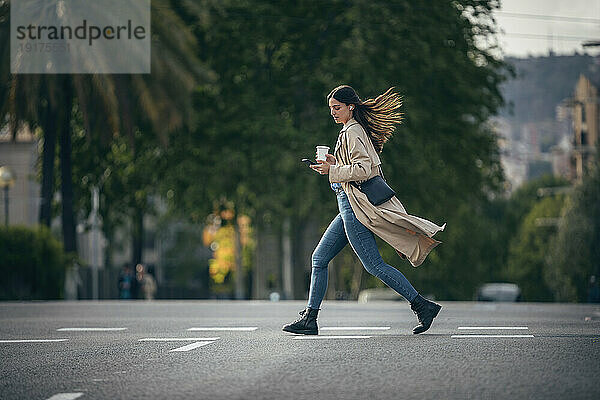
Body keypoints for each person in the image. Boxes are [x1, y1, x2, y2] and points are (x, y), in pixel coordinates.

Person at [283, 85, 446, 335]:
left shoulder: (353, 131)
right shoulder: (350, 130)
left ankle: (421, 305)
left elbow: (364, 170)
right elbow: (357, 166)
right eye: (330, 109)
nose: (333, 113)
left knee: (373, 265)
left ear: (351, 106)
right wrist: (334, 164)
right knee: (319, 258)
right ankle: (309, 318)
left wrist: (333, 171)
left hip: (354, 207)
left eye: (337, 108)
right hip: (347, 204)